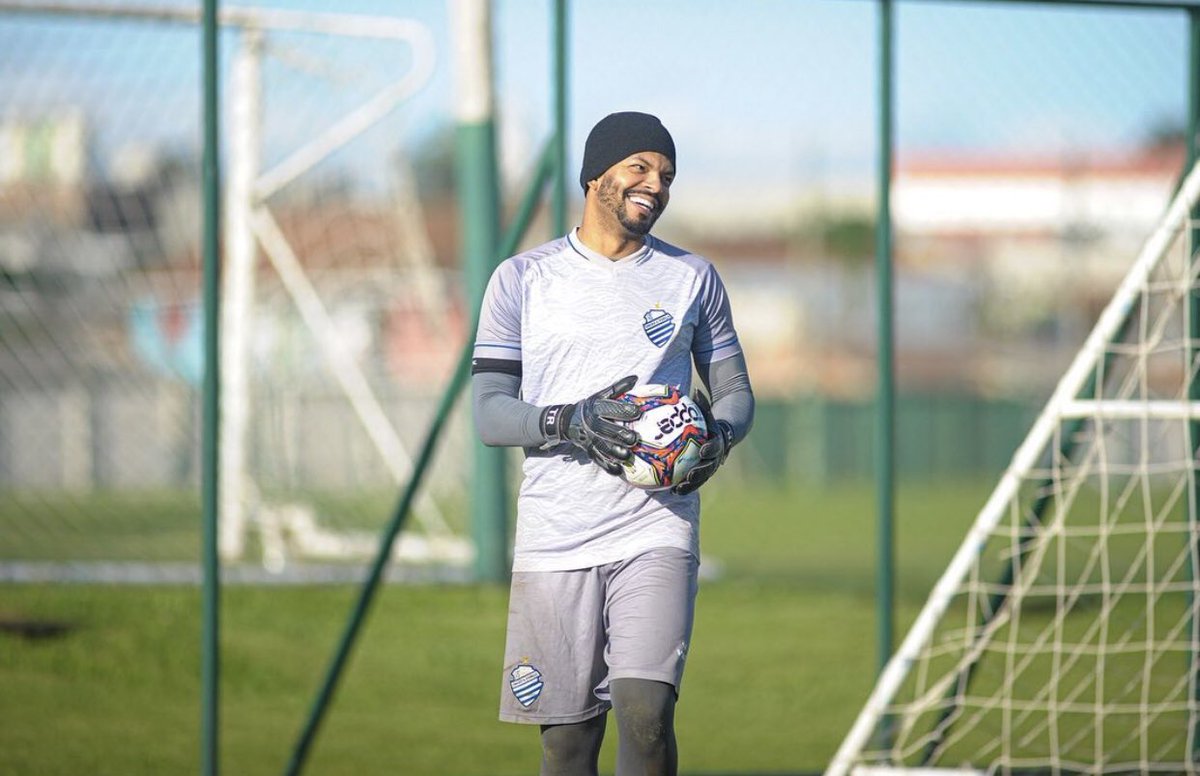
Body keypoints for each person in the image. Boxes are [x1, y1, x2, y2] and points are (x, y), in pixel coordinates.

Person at [471, 111, 755, 776]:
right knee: (567, 743)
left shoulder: (694, 279)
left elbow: (736, 394)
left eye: (666, 175)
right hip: (555, 535)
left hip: (654, 528)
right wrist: (568, 422)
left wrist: (716, 438)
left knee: (645, 714)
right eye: (640, 167)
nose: (654, 184)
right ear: (595, 175)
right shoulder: (521, 280)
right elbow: (488, 414)